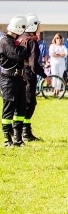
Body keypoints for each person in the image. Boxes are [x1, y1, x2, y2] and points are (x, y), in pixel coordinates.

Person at [1, 16, 31, 147]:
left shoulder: (13, 41)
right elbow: (20, 55)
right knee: (9, 108)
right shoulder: (6, 41)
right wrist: (23, 46)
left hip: (19, 78)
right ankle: (7, 139)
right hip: (8, 80)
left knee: (21, 108)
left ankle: (18, 139)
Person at [20, 14, 47, 141]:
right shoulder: (31, 41)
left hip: (20, 74)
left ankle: (22, 130)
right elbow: (33, 64)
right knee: (30, 103)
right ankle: (25, 131)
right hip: (28, 75)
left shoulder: (21, 38)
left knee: (23, 102)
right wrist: (45, 75)